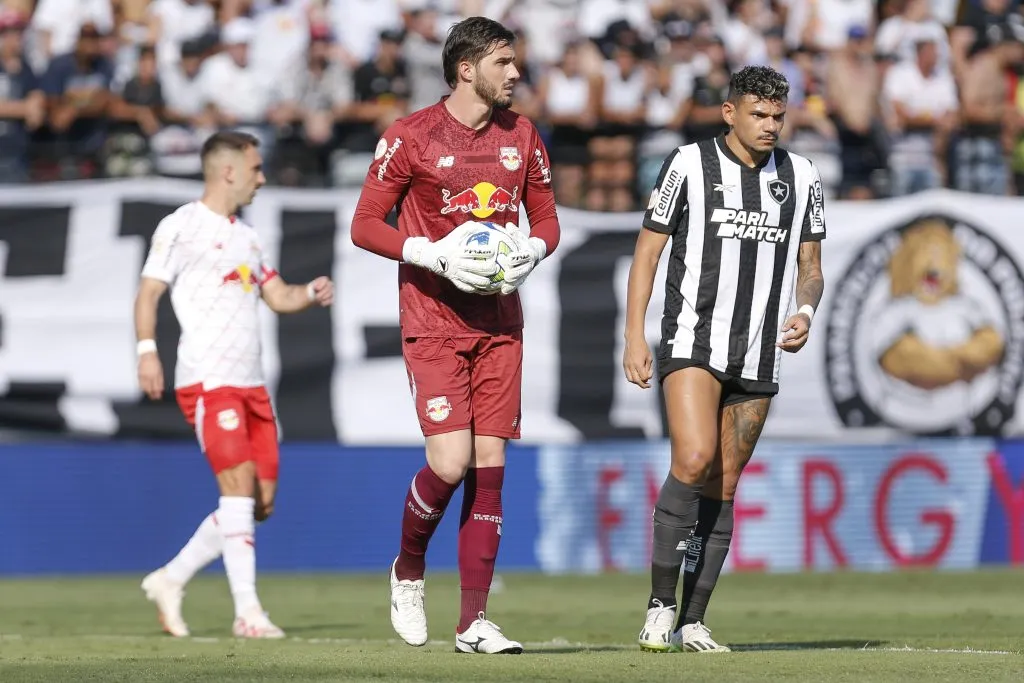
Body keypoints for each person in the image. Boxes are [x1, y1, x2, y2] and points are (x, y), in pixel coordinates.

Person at [350, 16, 560, 655]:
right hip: (434, 323)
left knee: (490, 469)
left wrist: (531, 251)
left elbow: (547, 220)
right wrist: (430, 254)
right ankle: (408, 568)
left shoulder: (521, 135)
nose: (515, 73)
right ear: (467, 68)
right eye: (504, 62)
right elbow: (364, 224)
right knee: (451, 460)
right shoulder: (410, 136)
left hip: (500, 325)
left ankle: (474, 621)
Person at [623, 65, 826, 653]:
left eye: (778, 117)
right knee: (693, 458)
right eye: (759, 115)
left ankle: (694, 619)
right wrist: (635, 337)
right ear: (729, 112)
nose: (769, 127)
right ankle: (660, 606)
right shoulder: (687, 164)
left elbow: (810, 269)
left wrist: (805, 314)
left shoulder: (803, 176)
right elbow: (648, 253)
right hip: (692, 339)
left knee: (725, 482)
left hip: (760, 349)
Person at [134, 130, 334, 639]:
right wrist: (147, 351)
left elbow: (278, 295)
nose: (262, 178)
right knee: (237, 489)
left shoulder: (248, 236)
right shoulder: (181, 226)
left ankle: (170, 577)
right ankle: (248, 612)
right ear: (228, 171)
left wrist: (308, 292)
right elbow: (148, 293)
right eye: (256, 168)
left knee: (258, 503)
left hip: (252, 385)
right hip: (208, 379)